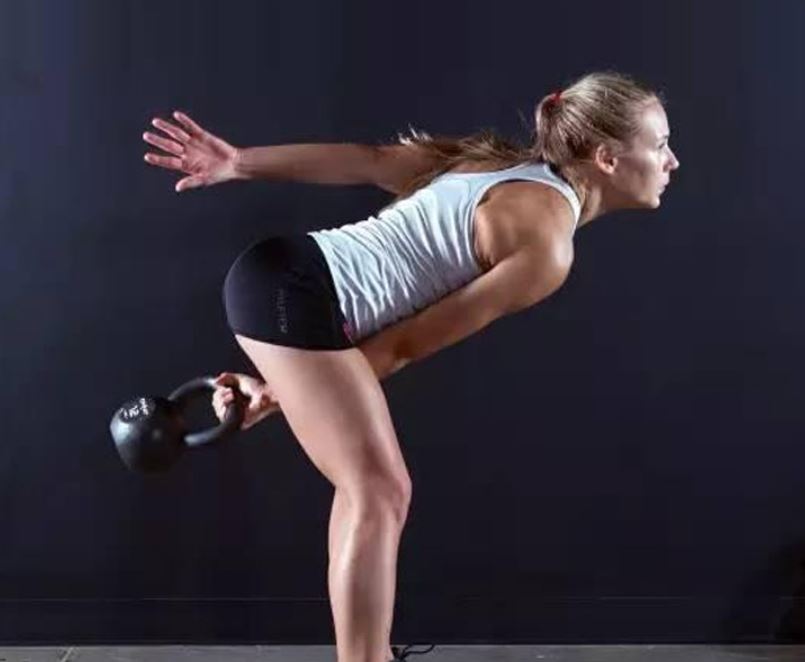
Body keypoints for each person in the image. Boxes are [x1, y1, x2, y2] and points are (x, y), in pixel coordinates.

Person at [141, 70, 680, 662]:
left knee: (370, 490)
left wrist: (239, 161)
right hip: (299, 295)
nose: (671, 161)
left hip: (285, 275)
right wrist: (277, 394)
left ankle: (365, 652)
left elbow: (369, 161)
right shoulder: (547, 246)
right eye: (659, 145)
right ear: (607, 158)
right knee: (379, 490)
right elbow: (404, 345)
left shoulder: (493, 160)